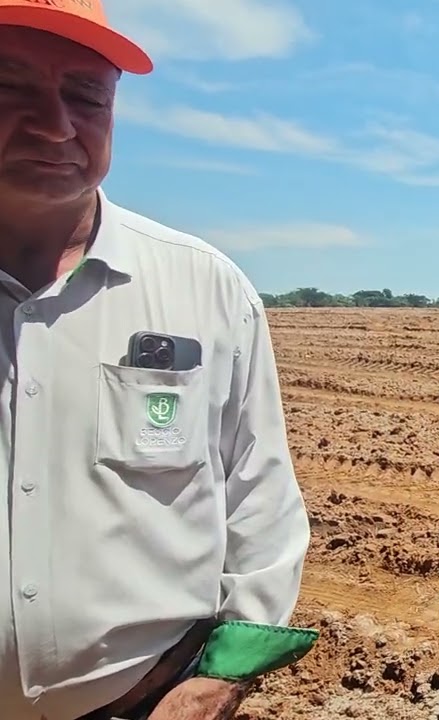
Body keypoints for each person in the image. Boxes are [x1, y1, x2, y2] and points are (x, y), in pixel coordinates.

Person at [0, 2, 317, 719]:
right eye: (11, 87)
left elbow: (260, 497)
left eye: (85, 95)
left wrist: (223, 679)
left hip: (143, 702)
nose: (56, 124)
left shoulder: (204, 286)